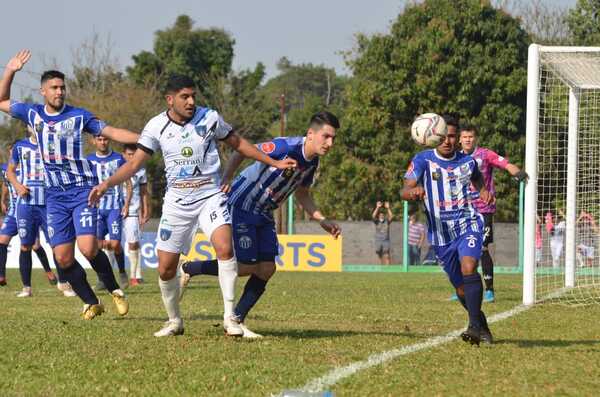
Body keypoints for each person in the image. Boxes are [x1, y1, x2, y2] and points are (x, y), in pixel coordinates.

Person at [88, 74, 297, 337]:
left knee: (224, 247)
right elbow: (133, 165)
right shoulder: (155, 126)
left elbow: (240, 144)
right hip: (177, 202)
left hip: (210, 196)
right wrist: (106, 184)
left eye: (193, 96)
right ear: (170, 99)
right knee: (165, 268)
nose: (190, 101)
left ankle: (230, 318)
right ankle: (174, 320)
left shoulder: (209, 118)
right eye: (184, 97)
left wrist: (274, 162)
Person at [0, 50, 139, 319]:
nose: (59, 92)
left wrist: (146, 138)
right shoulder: (33, 114)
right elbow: (2, 100)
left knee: (88, 248)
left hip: (82, 190)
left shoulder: (79, 116)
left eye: (62, 87)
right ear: (43, 91)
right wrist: (10, 71)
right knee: (62, 258)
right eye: (54, 88)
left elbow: (111, 132)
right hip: (54, 196)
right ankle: (90, 301)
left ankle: (115, 290)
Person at [179, 111, 341, 338]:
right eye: (326, 136)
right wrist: (226, 178)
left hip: (264, 211)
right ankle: (190, 268)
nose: (330, 143)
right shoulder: (285, 147)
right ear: (311, 134)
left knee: (267, 268)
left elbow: (302, 193)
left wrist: (322, 220)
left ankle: (236, 319)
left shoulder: (313, 163)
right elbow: (243, 150)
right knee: (244, 265)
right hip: (242, 203)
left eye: (333, 138)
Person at [402, 115, 494, 345]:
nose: (447, 141)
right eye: (442, 136)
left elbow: (477, 178)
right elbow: (405, 188)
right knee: (461, 289)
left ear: (458, 138)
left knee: (469, 266)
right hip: (441, 235)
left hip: (467, 224)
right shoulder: (423, 160)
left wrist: (482, 191)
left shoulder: (467, 161)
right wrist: (412, 193)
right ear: (434, 137)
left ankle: (473, 327)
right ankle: (480, 322)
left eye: (451, 136)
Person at [459, 123, 528, 302]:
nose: (468, 140)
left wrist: (517, 171)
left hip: (484, 208)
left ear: (476, 138)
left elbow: (504, 163)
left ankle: (489, 289)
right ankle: (463, 289)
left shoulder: (484, 154)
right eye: (464, 137)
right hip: (462, 209)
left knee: (481, 248)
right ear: (460, 139)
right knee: (462, 249)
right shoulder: (455, 158)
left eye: (471, 137)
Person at [6, 131, 76, 297]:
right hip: (26, 203)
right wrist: (18, 186)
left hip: (50, 204)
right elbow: (10, 171)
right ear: (29, 126)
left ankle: (64, 284)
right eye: (32, 124)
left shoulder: (54, 146)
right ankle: (26, 288)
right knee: (25, 245)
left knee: (56, 244)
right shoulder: (20, 146)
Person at [87, 136, 131, 288]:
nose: (103, 142)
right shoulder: (89, 160)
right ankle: (102, 279)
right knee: (96, 245)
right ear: (94, 141)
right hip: (96, 209)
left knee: (115, 243)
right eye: (99, 139)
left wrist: (126, 204)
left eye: (105, 139)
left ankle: (122, 271)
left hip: (114, 208)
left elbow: (128, 181)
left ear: (109, 141)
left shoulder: (118, 158)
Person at [122, 144, 150, 286]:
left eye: (134, 154)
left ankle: (134, 276)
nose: (131, 157)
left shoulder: (141, 170)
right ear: (124, 154)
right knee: (109, 244)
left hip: (133, 211)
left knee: (133, 242)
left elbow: (144, 192)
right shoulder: (115, 167)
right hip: (115, 210)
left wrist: (146, 209)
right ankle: (106, 277)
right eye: (129, 154)